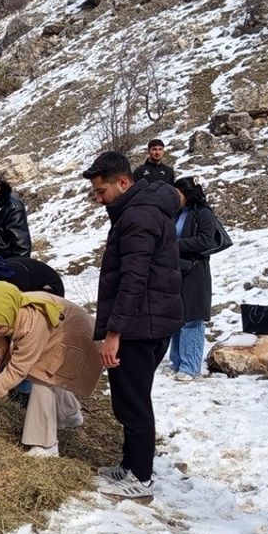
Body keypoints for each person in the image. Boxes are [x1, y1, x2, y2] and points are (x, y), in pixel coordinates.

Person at [83, 151, 182, 500]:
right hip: (148, 321)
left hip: (140, 326)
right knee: (130, 397)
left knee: (134, 401)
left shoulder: (138, 217)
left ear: (123, 182)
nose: (98, 199)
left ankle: (140, 477)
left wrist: (114, 334)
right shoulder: (140, 210)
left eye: (102, 191)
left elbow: (133, 280)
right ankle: (129, 465)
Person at [0, 282, 103, 457]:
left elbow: (18, 369)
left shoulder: (33, 320)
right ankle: (69, 414)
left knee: (41, 375)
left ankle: (46, 445)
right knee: (48, 372)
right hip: (52, 334)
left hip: (74, 334)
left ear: (12, 315)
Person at [167, 177, 225, 381]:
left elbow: (206, 240)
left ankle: (191, 366)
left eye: (178, 194)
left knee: (192, 318)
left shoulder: (203, 213)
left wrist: (176, 245)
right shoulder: (179, 213)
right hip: (178, 269)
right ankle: (177, 361)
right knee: (177, 317)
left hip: (195, 271)